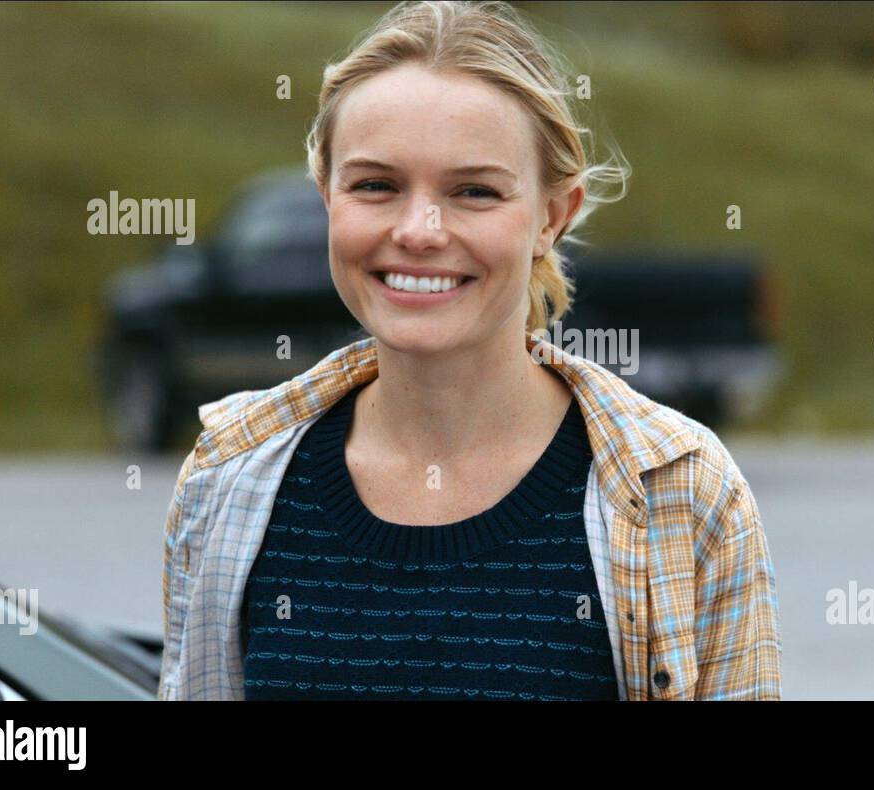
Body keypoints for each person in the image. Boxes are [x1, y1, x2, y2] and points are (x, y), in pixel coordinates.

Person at [158, 0, 781, 701]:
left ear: (552, 217)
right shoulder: (228, 479)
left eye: (474, 191)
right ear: (327, 197)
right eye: (376, 185)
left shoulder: (684, 492)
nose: (420, 230)